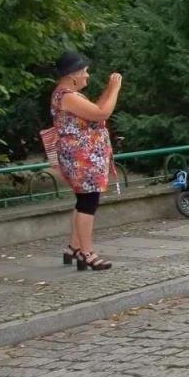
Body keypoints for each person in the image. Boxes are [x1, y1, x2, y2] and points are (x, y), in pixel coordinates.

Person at [50, 52, 120, 271]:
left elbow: (95, 110)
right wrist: (116, 88)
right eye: (85, 72)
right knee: (88, 203)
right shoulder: (67, 96)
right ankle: (87, 253)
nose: (87, 76)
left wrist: (108, 90)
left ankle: (74, 247)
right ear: (74, 75)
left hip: (82, 158)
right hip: (82, 160)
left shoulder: (69, 94)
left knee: (83, 201)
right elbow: (102, 113)